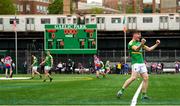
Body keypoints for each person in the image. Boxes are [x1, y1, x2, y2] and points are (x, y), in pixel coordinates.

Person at [117, 31, 160, 100]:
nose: (140, 36)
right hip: (136, 63)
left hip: (142, 63)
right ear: (134, 35)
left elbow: (149, 49)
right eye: (138, 34)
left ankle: (143, 95)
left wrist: (156, 44)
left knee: (146, 78)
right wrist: (142, 44)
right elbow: (136, 49)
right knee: (133, 77)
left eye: (140, 34)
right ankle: (121, 90)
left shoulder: (139, 43)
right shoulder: (131, 43)